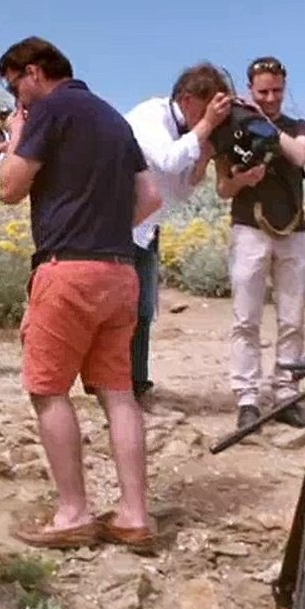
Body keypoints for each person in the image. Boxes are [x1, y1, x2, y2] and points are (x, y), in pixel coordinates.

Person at [0, 36, 162, 550]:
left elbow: (8, 188)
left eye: (13, 84)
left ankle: (73, 513)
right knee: (119, 393)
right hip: (119, 269)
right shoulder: (113, 118)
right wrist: (103, 231)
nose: (16, 97)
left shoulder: (51, 108)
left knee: (48, 389)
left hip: (66, 270)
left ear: (34, 72)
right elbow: (151, 195)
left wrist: (18, 133)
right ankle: (134, 515)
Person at [215, 56, 305, 431]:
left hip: (294, 231)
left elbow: (301, 153)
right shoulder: (234, 129)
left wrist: (263, 123)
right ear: (250, 90)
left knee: (292, 319)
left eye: (277, 90)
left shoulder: (299, 126)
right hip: (249, 228)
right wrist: (245, 179)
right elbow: (223, 187)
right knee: (246, 319)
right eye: (263, 92)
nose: (272, 97)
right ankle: (247, 397)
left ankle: (287, 393)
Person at [120, 63, 231, 404]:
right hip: (117, 225)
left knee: (142, 311)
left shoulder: (185, 131)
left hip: (146, 227)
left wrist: (203, 159)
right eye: (206, 108)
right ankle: (115, 387)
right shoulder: (149, 116)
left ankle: (136, 385)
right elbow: (168, 160)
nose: (210, 117)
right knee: (120, 311)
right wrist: (207, 127)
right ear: (186, 99)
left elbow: (178, 191)